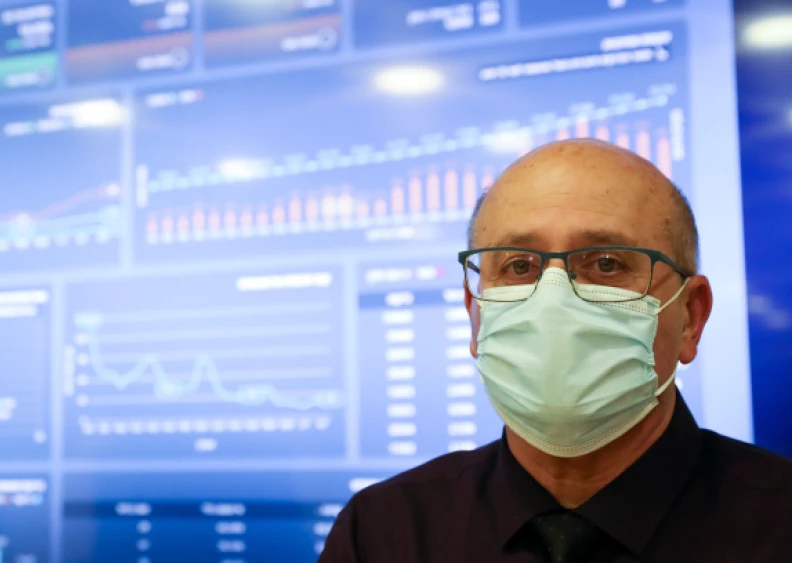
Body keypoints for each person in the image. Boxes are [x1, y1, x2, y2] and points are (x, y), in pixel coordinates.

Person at [318, 139, 792, 563]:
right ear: (474, 312)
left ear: (690, 315)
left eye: (607, 263)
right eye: (519, 265)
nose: (554, 300)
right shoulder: (383, 533)